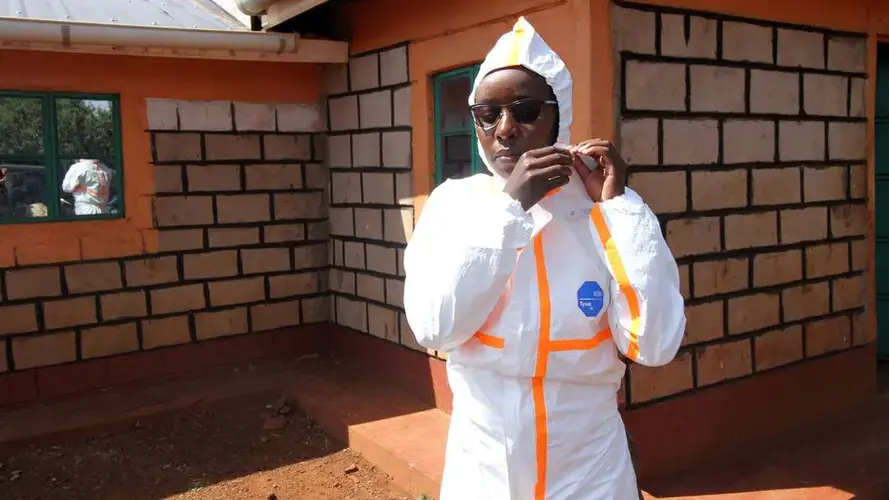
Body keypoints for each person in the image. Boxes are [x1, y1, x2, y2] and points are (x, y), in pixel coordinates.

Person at [403, 17, 686, 499]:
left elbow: (654, 345)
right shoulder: (455, 206)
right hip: (483, 468)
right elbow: (436, 326)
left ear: (560, 115)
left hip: (587, 470)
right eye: (487, 114)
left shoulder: (600, 212)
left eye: (526, 110)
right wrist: (511, 207)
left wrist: (620, 209)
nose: (505, 129)